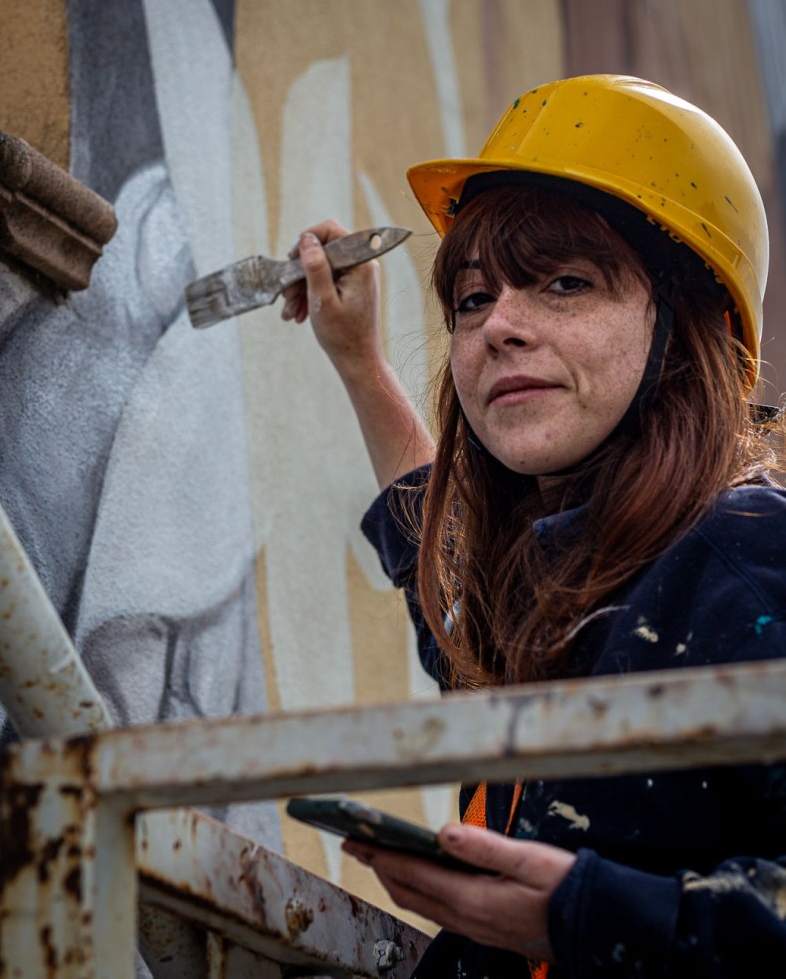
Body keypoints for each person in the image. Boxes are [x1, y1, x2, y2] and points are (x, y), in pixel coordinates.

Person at [281, 75, 786, 976]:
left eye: (563, 282)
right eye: (471, 299)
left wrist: (580, 914)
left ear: (686, 322)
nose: (497, 326)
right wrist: (358, 360)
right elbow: (450, 597)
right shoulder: (562, 582)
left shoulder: (749, 557)